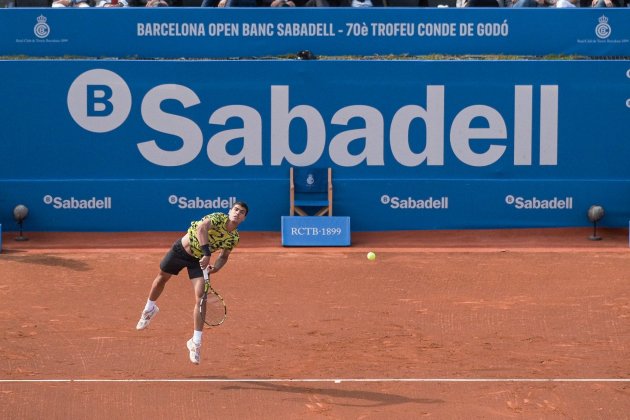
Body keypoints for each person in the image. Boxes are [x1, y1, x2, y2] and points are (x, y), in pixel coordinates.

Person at [136, 201, 249, 365]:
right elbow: (201, 228)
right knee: (162, 278)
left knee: (201, 298)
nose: (237, 213)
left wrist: (215, 268)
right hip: (181, 251)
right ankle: (149, 308)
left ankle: (195, 343)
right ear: (229, 211)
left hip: (199, 262)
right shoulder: (218, 218)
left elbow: (224, 256)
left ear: (244, 218)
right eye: (235, 209)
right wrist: (207, 253)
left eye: (242, 212)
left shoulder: (233, 238)